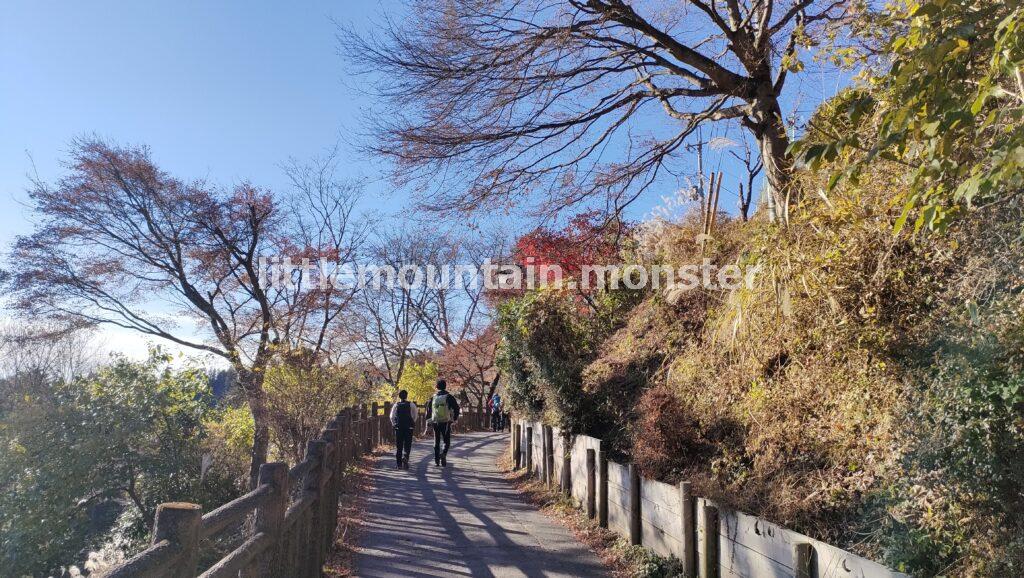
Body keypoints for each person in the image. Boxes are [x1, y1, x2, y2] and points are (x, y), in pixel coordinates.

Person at [425, 379, 460, 467]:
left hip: (435, 421)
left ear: (437, 387)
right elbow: (456, 408)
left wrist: (428, 421)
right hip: (446, 421)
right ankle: (443, 454)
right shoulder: (449, 397)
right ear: (445, 386)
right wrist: (454, 419)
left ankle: (437, 460)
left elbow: (428, 410)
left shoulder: (433, 397)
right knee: (446, 440)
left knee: (436, 440)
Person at [389, 389, 417, 469]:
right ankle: (405, 457)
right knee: (407, 444)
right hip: (409, 427)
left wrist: (394, 424)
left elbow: (391, 416)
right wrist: (412, 423)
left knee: (399, 446)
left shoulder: (396, 405)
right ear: (406, 396)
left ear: (399, 396)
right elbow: (415, 415)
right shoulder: (411, 405)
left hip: (399, 427)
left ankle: (399, 464)